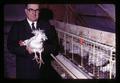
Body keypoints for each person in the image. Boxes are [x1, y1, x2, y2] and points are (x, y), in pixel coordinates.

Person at [7, 4, 61, 79]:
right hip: (24, 70)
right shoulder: (17, 26)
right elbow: (10, 46)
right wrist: (26, 50)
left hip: (42, 71)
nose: (34, 13)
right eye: (31, 10)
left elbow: (54, 46)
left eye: (36, 10)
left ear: (39, 12)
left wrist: (42, 48)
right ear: (26, 11)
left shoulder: (46, 26)